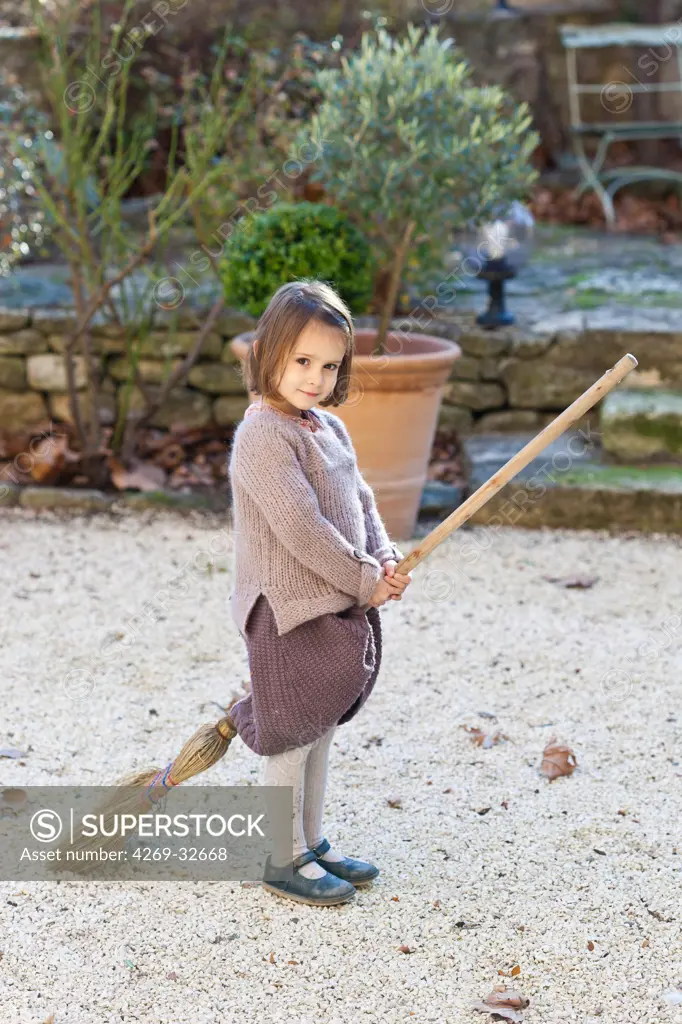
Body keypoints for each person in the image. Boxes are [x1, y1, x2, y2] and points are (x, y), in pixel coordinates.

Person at [226, 279, 412, 907]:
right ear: (267, 354)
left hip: (333, 601)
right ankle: (282, 858)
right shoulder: (262, 438)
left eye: (329, 365)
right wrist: (365, 579)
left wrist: (383, 557)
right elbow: (303, 528)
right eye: (301, 361)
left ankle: (311, 841)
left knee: (322, 726)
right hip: (285, 611)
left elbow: (359, 501)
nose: (315, 377)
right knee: (292, 733)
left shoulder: (327, 426)